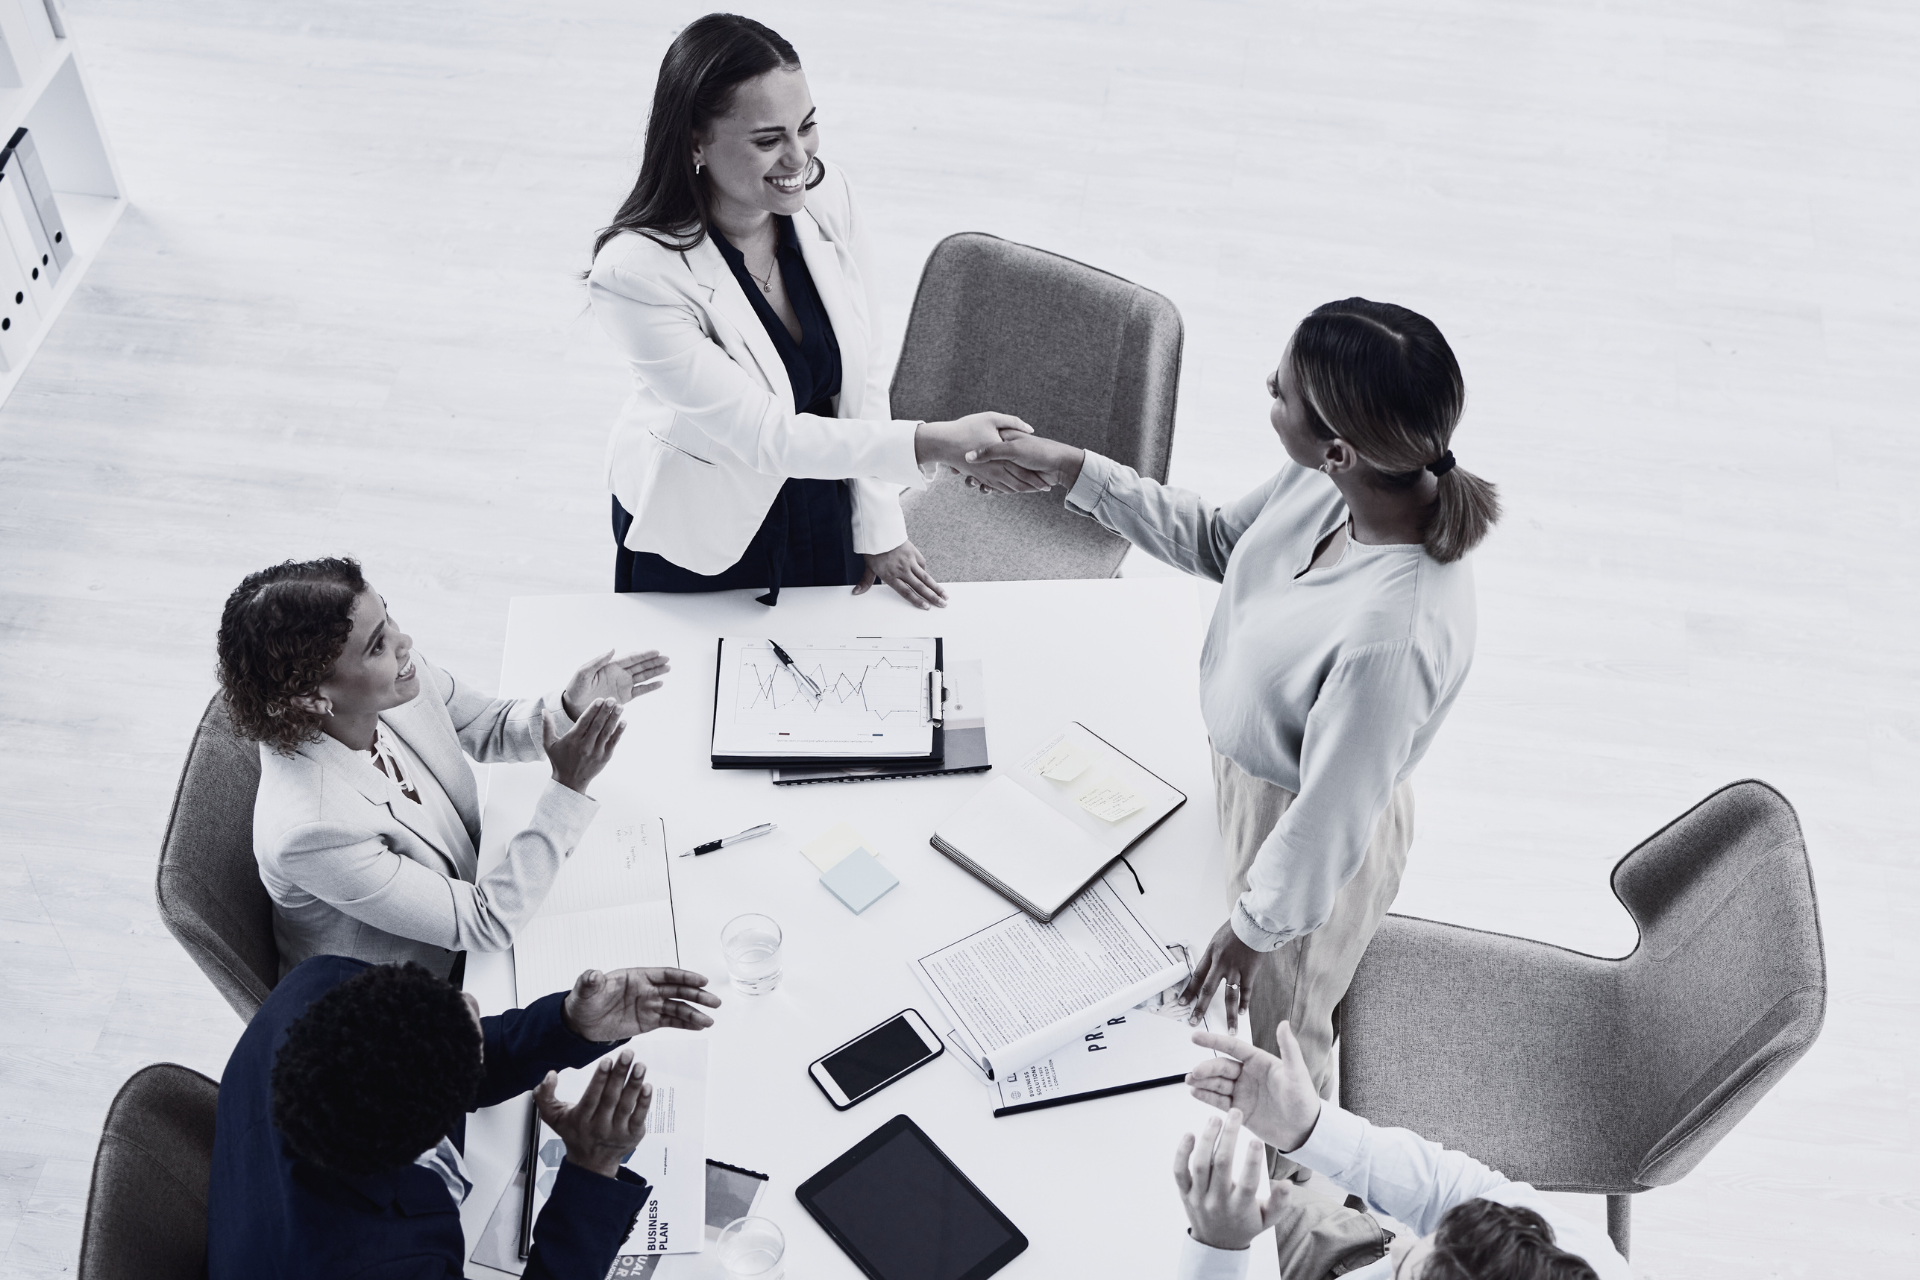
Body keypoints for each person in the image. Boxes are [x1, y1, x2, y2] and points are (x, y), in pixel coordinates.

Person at [965, 299, 1500, 1120]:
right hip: (1251, 787)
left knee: (1281, 1060)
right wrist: (1077, 470)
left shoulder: (1398, 632)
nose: (1267, 389)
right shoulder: (1328, 479)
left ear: (1340, 445)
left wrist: (1255, 932)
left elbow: (1328, 820)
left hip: (1302, 838)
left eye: (1280, 391)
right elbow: (1222, 543)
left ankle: (1308, 1219)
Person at [587, 13, 1047, 609]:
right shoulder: (634, 275)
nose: (798, 157)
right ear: (694, 142)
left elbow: (864, 372)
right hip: (709, 521)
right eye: (767, 139)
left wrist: (879, 527)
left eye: (807, 126)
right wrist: (935, 443)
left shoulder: (827, 197)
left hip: (825, 494)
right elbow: (764, 436)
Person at [218, 557, 670, 979]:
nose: (403, 642)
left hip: (476, 902)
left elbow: (486, 724)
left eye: (388, 617)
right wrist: (568, 787)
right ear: (313, 699)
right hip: (411, 991)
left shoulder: (392, 682)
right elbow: (485, 923)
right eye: (377, 645)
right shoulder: (311, 830)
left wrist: (571, 707)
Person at [207, 954, 722, 1279]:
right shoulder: (390, 1263)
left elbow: (420, 1058)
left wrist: (569, 1024)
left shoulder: (321, 987)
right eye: (474, 1032)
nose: (474, 1000)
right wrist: (593, 1169)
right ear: (424, 1142)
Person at [1169, 1021, 1628, 1279]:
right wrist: (1309, 1127)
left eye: (1404, 1266)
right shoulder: (1581, 1258)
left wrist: (1219, 1251)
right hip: (1341, 1250)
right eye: (1425, 1242)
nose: (1402, 1238)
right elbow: (1446, 1189)